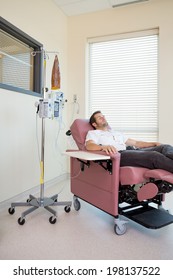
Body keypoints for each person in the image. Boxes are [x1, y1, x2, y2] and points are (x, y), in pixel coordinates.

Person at [85, 110, 173, 173]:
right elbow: (89, 145)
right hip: (119, 156)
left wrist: (154, 143)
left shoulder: (115, 132)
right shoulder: (93, 133)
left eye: (103, 116)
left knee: (165, 147)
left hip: (130, 151)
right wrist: (102, 147)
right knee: (154, 156)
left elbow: (136, 143)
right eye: (99, 118)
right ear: (94, 124)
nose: (103, 118)